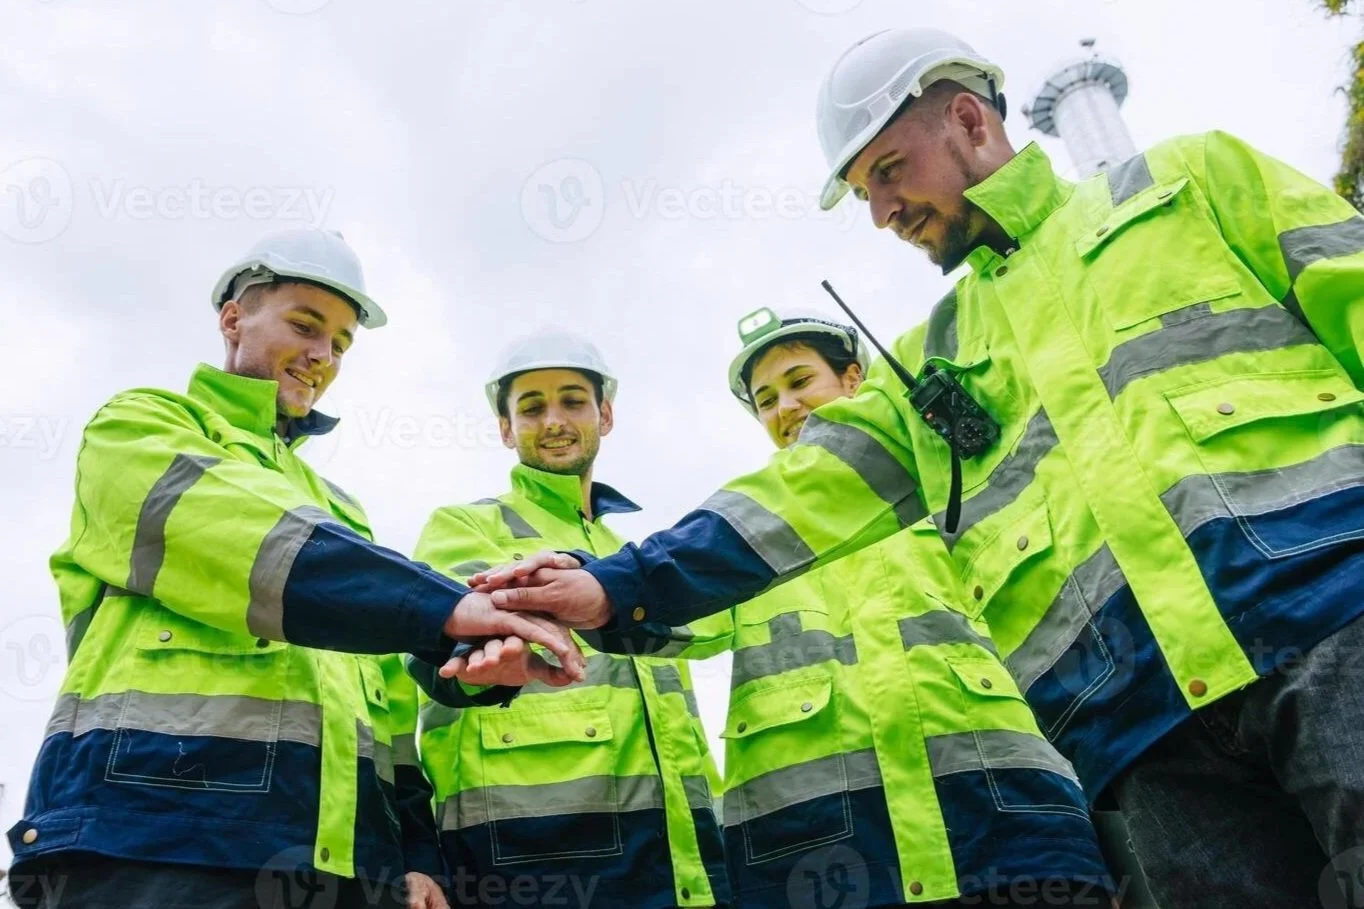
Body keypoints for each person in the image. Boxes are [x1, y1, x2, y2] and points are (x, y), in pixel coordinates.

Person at [468, 26, 1364, 909]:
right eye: (863, 192)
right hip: (1148, 731)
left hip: (1334, 627)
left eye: (889, 172)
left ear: (969, 119)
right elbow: (795, 494)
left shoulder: (1193, 182)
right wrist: (614, 583)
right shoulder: (932, 361)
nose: (881, 213)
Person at [5, 228, 583, 909]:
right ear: (232, 318)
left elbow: (389, 714)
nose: (322, 356)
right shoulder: (141, 426)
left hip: (338, 872)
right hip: (151, 843)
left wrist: (419, 851)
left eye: (340, 343)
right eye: (306, 326)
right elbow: (253, 535)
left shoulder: (342, 513)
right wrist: (445, 609)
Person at [688, 306, 1114, 907]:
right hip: (826, 863)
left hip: (1017, 834)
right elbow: (667, 622)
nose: (784, 408)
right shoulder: (744, 542)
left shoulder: (950, 496)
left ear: (855, 379)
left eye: (799, 381)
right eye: (765, 399)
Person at [408, 330, 731, 909]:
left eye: (572, 401)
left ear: (605, 415)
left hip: (676, 858)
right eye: (531, 407)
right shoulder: (465, 526)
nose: (553, 419)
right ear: (506, 428)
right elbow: (449, 649)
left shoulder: (632, 557)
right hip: (526, 859)